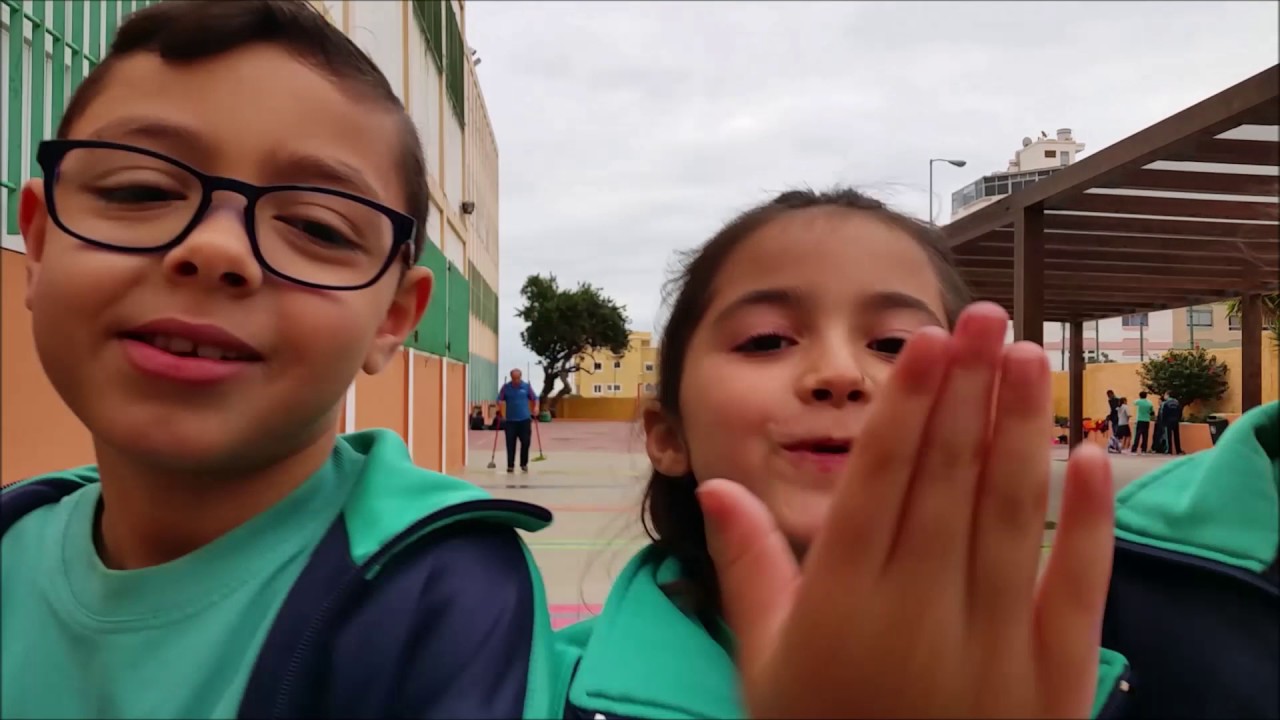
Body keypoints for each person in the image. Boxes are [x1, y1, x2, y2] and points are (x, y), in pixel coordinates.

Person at [0, 3, 558, 718]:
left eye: (314, 226)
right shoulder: (14, 534)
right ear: (40, 246)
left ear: (392, 317)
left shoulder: (437, 594)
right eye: (138, 190)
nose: (215, 250)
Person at [555, 188, 1119, 719]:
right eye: (767, 340)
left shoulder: (1106, 693)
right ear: (667, 435)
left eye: (897, 345)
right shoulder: (522, 683)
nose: (840, 374)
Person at [497, 369, 539, 474]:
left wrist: (536, 407)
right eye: (514, 378)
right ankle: (510, 465)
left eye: (518, 378)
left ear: (521, 377)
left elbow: (535, 398)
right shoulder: (505, 388)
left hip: (524, 420)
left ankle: (523, 464)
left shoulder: (526, 387)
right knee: (510, 444)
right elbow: (499, 399)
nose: (516, 380)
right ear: (511, 377)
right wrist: (499, 404)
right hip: (510, 421)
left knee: (526, 442)